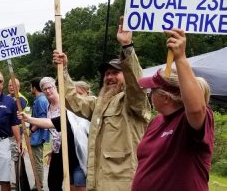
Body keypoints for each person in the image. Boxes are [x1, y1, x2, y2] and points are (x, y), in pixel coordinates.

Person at [53, 23, 151, 191]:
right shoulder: (99, 103)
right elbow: (72, 100)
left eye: (115, 72)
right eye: (107, 73)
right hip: (97, 180)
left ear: (125, 75)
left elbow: (136, 84)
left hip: (124, 182)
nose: (110, 77)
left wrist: (127, 46)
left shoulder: (134, 101)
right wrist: (63, 70)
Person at [131, 28, 215, 191]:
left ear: (166, 97)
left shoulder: (189, 121)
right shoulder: (156, 121)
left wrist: (180, 58)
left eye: (152, 90)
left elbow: (197, 110)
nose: (149, 94)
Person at [18, 81, 90, 191]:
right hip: (69, 158)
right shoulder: (69, 114)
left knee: (79, 187)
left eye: (80, 94)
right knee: (66, 186)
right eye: (75, 95)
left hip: (84, 161)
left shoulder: (92, 113)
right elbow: (51, 123)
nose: (77, 99)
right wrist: (28, 119)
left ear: (87, 94)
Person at [29, 77, 50, 191]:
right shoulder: (39, 100)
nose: (30, 89)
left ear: (34, 87)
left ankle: (39, 185)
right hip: (37, 135)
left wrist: (32, 130)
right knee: (36, 160)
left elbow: (42, 118)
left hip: (38, 135)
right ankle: (38, 183)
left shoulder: (41, 100)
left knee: (37, 161)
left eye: (31, 86)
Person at [7, 78, 28, 189]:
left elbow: (11, 113)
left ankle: (17, 182)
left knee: (16, 158)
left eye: (13, 85)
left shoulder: (21, 99)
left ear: (18, 87)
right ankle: (7, 181)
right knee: (6, 158)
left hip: (16, 134)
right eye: (9, 85)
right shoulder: (7, 97)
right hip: (6, 133)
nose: (11, 87)